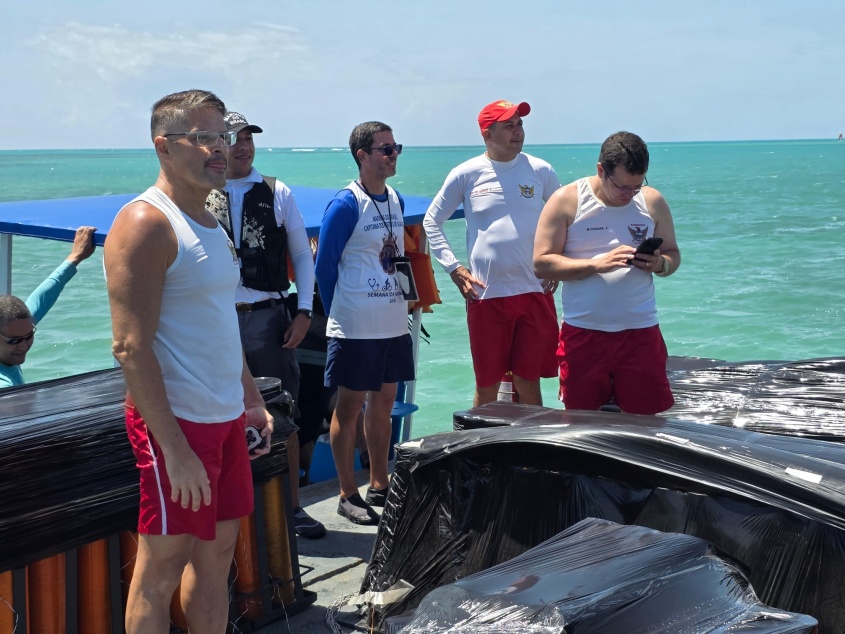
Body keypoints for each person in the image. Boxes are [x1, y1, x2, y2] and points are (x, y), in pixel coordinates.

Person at [104, 89, 274, 634]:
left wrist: (250, 400)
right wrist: (174, 451)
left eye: (222, 137)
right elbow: (130, 346)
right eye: (202, 138)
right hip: (175, 424)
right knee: (160, 568)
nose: (219, 150)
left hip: (224, 417)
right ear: (164, 147)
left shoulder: (208, 219)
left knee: (218, 555)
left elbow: (220, 322)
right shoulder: (146, 224)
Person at [206, 111, 325, 539]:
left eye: (248, 138)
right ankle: (230, 509)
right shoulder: (201, 192)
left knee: (282, 412)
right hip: (215, 321)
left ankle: (291, 507)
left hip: (268, 318)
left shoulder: (277, 192)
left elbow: (303, 257)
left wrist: (304, 312)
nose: (242, 146)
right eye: (234, 138)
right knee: (219, 414)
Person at [423, 100, 561, 407]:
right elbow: (432, 220)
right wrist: (454, 268)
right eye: (508, 126)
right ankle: (476, 453)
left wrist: (556, 263)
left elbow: (565, 218)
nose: (517, 132)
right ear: (488, 135)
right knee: (487, 386)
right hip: (486, 294)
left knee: (528, 383)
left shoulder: (540, 170)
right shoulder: (466, 173)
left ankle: (528, 453)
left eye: (520, 124)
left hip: (533, 290)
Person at [533, 131, 681, 415]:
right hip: (584, 332)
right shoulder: (567, 200)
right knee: (581, 421)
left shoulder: (652, 202)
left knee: (648, 420)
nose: (630, 195)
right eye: (623, 187)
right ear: (601, 170)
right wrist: (596, 265)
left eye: (637, 186)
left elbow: (673, 255)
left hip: (640, 331)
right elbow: (541, 262)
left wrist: (660, 264)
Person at [315, 121, 415, 525]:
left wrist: (407, 292)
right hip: (356, 324)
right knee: (350, 406)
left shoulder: (394, 199)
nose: (392, 156)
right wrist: (341, 308)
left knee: (386, 402)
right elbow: (324, 265)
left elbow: (400, 251)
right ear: (362, 156)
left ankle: (379, 482)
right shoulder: (346, 203)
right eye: (385, 149)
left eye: (396, 148)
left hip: (391, 321)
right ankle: (346, 492)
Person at [0, 226, 96, 388]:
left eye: (29, 336)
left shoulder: (15, 327)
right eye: (15, 340)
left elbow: (42, 298)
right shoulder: (5, 386)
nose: (24, 346)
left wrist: (74, 258)